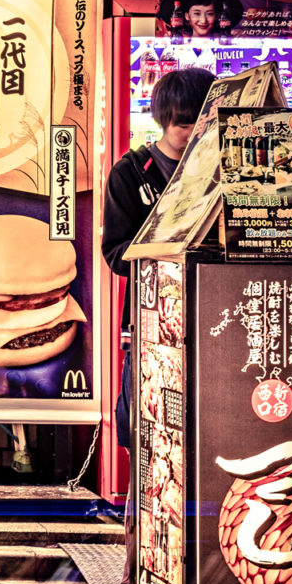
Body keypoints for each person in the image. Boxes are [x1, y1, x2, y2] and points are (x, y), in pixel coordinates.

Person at [102, 66, 215, 450]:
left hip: (215, 320)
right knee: (147, 429)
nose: (194, 134)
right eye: (185, 125)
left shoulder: (225, 171)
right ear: (164, 120)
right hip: (152, 323)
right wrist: (164, 249)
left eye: (203, 123)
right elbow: (115, 254)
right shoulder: (130, 174)